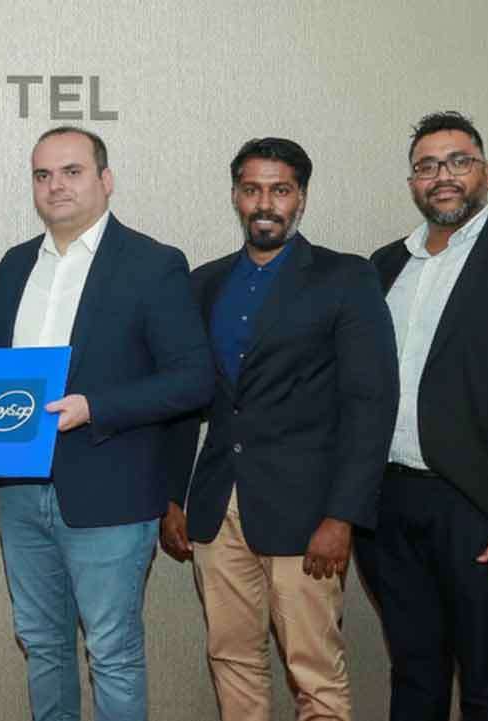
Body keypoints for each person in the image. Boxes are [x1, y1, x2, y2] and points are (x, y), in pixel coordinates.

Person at [0, 127, 214, 721]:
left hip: (110, 492)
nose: (55, 185)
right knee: (42, 646)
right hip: (19, 487)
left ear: (105, 180)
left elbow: (192, 379)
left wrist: (95, 406)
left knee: (112, 653)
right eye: (43, 175)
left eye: (72, 171)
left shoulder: (153, 264)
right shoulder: (15, 265)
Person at [161, 138, 398, 721]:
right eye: (252, 189)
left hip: (307, 512)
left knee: (313, 669)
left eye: (280, 190)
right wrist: (172, 496)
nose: (264, 203)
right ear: (236, 196)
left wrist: (342, 516)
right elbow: (184, 398)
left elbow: (370, 403)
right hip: (216, 505)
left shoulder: (346, 277)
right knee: (230, 658)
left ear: (301, 198)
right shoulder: (204, 283)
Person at [363, 111, 488, 721]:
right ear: (413, 183)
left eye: (459, 161)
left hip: (482, 510)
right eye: (427, 166)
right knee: (413, 673)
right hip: (387, 508)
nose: (443, 176)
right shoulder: (383, 266)